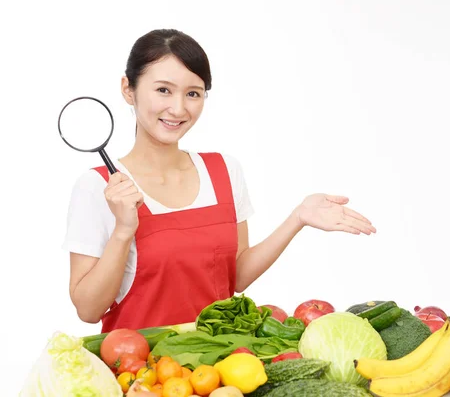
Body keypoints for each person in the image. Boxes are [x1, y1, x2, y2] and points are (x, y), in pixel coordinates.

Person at [63, 29, 376, 333]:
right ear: (128, 89)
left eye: (193, 94)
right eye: (163, 90)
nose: (178, 108)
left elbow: (236, 277)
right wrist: (123, 230)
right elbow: (88, 311)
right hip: (139, 376)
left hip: (221, 371)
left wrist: (298, 218)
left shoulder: (224, 171)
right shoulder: (98, 188)